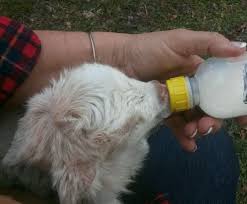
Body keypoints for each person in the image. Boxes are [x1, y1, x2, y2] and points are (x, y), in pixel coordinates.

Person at [0, 16, 246, 204]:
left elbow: (13, 56)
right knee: (211, 164)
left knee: (212, 152)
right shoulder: (79, 180)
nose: (158, 88)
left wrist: (124, 55)